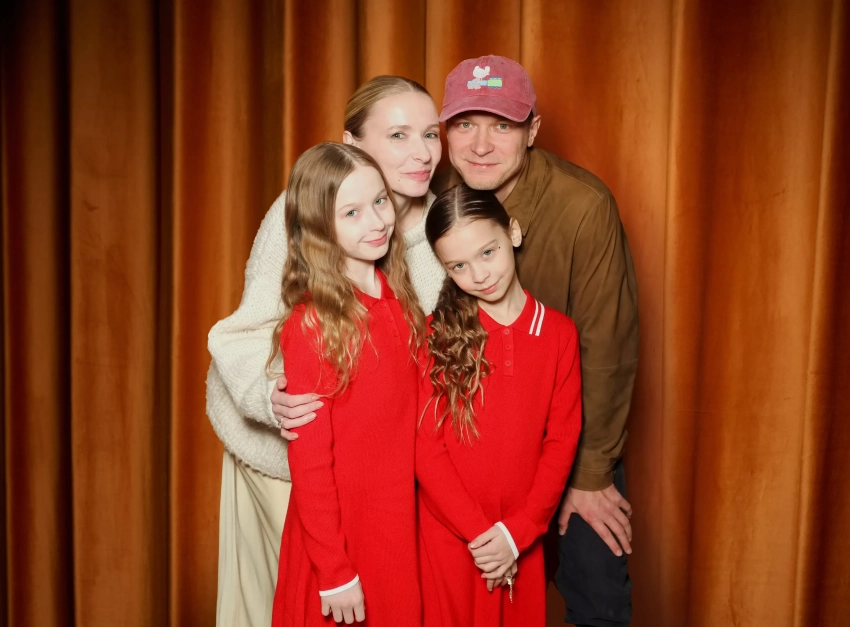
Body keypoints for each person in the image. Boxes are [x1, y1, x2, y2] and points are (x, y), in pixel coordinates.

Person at [280, 55, 640, 627]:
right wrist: (282, 396)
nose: (480, 145)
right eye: (464, 125)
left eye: (502, 125)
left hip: (554, 466)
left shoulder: (581, 207)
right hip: (427, 502)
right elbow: (400, 418)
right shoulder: (400, 209)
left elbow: (607, 354)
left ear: (532, 130)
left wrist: (587, 477)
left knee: (595, 597)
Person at [205, 76, 445, 626]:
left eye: (430, 134)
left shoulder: (440, 226)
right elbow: (246, 332)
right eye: (399, 135)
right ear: (353, 143)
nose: (421, 152)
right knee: (297, 598)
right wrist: (272, 398)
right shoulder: (311, 205)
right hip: (285, 452)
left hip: (380, 482)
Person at [269, 142, 424, 626]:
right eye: (352, 213)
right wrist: (334, 571)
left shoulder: (399, 299)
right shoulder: (312, 325)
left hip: (398, 527)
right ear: (319, 226)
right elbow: (310, 464)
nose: (376, 221)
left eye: (380, 201)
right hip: (341, 543)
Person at [415, 184, 582, 626]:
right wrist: (481, 537)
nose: (479, 274)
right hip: (451, 540)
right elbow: (426, 450)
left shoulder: (559, 335)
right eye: (459, 266)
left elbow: (562, 443)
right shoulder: (436, 335)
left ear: (513, 233)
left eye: (487, 252)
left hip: (521, 541)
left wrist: (516, 534)